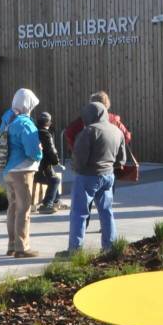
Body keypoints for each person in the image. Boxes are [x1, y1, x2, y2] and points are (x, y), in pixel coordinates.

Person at [59, 101, 126, 256]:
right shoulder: (116, 131)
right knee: (106, 211)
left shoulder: (88, 132)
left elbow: (79, 159)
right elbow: (121, 159)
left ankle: (75, 250)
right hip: (108, 176)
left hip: (87, 177)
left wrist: (76, 168)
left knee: (79, 213)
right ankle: (110, 246)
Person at [0, 88, 43, 258]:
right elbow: (32, 150)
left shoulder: (7, 118)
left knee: (12, 207)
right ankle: (22, 247)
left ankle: (11, 245)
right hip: (22, 170)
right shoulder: (25, 123)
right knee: (24, 209)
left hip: (8, 170)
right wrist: (40, 151)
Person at [63, 91, 132, 149]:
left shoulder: (83, 119)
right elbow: (127, 136)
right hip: (110, 160)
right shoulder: (114, 120)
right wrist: (115, 149)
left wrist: (76, 150)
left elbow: (69, 132)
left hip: (88, 160)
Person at [35, 112, 63, 214]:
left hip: (37, 165)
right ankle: (47, 204)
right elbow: (51, 150)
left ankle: (56, 201)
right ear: (49, 123)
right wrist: (56, 161)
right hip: (41, 168)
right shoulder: (45, 134)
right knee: (55, 180)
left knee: (54, 177)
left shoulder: (34, 131)